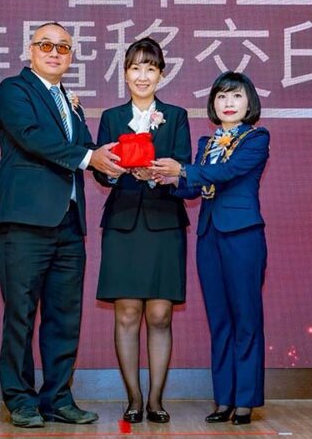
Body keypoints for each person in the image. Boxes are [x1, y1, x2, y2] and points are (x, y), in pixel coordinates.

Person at [0, 22, 125, 428]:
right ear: (30, 50)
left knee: (64, 317)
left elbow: (86, 151)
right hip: (25, 223)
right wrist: (89, 159)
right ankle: (20, 400)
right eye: (46, 45)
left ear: (71, 56)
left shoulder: (70, 101)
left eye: (63, 47)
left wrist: (115, 166)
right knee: (20, 315)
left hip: (68, 224)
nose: (54, 52)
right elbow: (32, 138)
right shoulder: (14, 90)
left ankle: (58, 398)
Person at [152, 71, 270, 426]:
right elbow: (193, 188)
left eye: (236, 96)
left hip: (243, 236)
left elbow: (228, 173)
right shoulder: (207, 143)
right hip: (209, 236)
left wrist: (184, 170)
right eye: (221, 97)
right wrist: (164, 178)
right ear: (212, 104)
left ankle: (245, 400)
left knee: (245, 319)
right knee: (219, 321)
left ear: (249, 103)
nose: (228, 103)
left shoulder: (256, 138)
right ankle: (224, 399)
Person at [94, 37, 192, 424]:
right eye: (135, 68)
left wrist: (160, 173)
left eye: (150, 68)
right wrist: (115, 172)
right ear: (125, 74)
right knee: (127, 313)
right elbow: (101, 173)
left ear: (161, 75)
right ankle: (134, 398)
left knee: (160, 314)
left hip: (164, 221)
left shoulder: (177, 116)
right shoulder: (112, 117)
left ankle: (156, 400)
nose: (142, 75)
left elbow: (183, 169)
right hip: (123, 223)